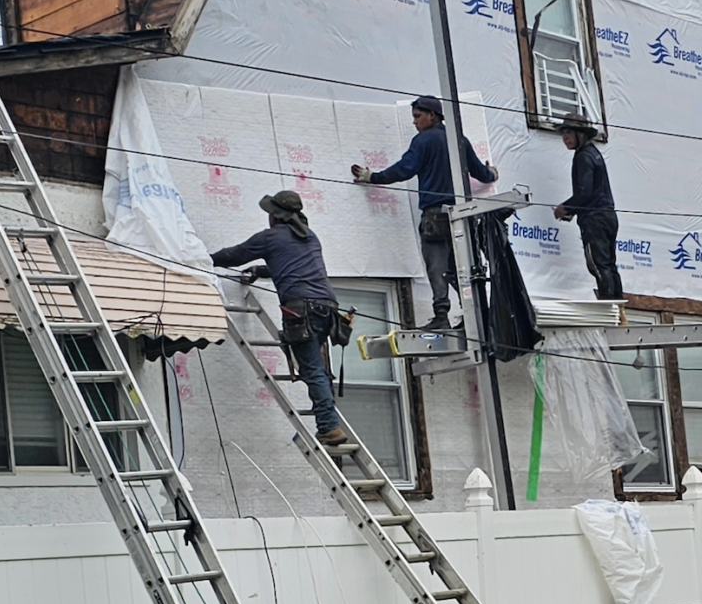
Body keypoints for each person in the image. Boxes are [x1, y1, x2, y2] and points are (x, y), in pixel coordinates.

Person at [210, 190, 348, 445]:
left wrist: (203, 260)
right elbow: (292, 265)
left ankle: (329, 427)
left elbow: (234, 255)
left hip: (302, 309)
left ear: (276, 216)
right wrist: (260, 270)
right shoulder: (310, 237)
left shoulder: (270, 238)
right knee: (318, 367)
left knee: (311, 369)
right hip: (327, 307)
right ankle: (329, 419)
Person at [351, 95, 498, 330]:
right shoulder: (459, 139)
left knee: (437, 267)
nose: (415, 122)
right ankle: (476, 316)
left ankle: (442, 316)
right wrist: (492, 174)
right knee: (460, 268)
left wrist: (374, 177)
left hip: (436, 216)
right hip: (462, 217)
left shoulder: (423, 141)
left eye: (418, 117)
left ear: (432, 115)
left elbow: (405, 169)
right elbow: (480, 172)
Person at [552, 112, 623, 301]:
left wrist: (564, 208)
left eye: (569, 133)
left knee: (598, 265)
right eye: (563, 133)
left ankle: (609, 307)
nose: (565, 138)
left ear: (580, 134)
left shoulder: (583, 156)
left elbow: (584, 193)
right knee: (609, 265)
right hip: (607, 216)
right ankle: (618, 308)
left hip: (595, 219)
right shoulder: (593, 153)